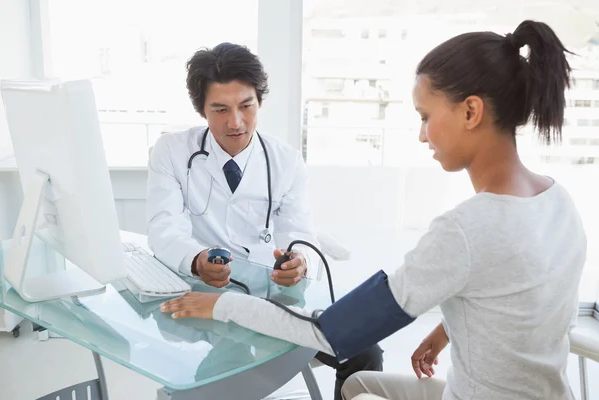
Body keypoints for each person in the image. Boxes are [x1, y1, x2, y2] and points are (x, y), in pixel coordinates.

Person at [160, 20, 587, 400]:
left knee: (356, 363)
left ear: (471, 111)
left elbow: (331, 332)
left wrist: (219, 306)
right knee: (357, 383)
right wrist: (443, 333)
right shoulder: (558, 201)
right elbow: (524, 301)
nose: (423, 135)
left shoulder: (464, 229)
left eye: (425, 116)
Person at [146, 42, 383, 400]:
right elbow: (163, 228)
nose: (236, 122)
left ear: (259, 102)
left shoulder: (285, 161)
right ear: (202, 111)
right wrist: (196, 261)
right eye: (221, 109)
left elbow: (299, 234)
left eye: (246, 106)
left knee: (364, 349)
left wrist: (298, 263)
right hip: (204, 295)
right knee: (218, 378)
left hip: (271, 300)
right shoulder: (172, 152)